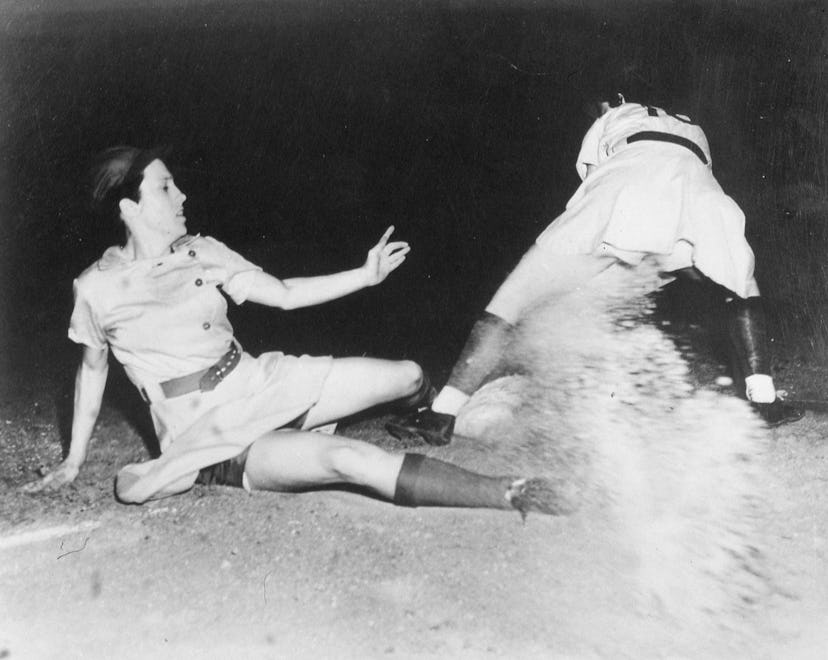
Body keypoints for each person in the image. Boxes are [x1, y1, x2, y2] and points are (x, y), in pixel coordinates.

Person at [21, 145, 561, 517]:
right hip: (209, 431)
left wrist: (365, 275)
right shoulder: (97, 287)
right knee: (349, 460)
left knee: (409, 375)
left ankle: (431, 415)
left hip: (261, 381)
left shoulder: (202, 251)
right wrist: (73, 460)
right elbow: (92, 371)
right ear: (129, 206)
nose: (181, 195)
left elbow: (283, 292)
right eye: (166, 187)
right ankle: (513, 493)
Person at [388, 94, 803, 447]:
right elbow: (665, 216)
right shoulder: (692, 127)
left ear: (611, 102)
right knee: (738, 282)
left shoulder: (611, 116)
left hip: (626, 184)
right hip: (697, 190)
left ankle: (441, 414)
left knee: (514, 298)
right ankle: (763, 400)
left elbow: (595, 186)